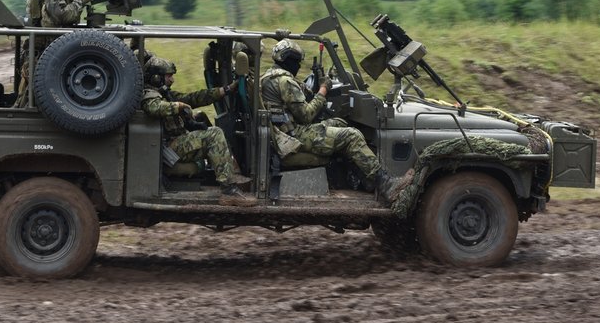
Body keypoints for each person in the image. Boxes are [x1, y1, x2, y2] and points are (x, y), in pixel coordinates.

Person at [260, 38, 413, 205]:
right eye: (296, 62)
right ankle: (385, 183)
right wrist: (323, 90)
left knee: (340, 123)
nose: (298, 66)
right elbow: (306, 115)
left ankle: (364, 178)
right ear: (288, 60)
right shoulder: (285, 81)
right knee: (351, 136)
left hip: (285, 132)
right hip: (293, 136)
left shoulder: (269, 77)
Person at [141, 56, 256, 207]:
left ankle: (230, 169)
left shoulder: (163, 94)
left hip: (175, 143)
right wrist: (178, 106)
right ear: (156, 77)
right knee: (214, 134)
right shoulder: (148, 95)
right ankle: (228, 191)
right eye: (169, 76)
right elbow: (153, 107)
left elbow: (193, 98)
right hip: (168, 148)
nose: (172, 80)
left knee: (202, 119)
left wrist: (225, 90)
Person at [16, 0, 92, 106]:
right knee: (37, 103)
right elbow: (63, 16)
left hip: (42, 51)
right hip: (49, 52)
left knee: (30, 100)